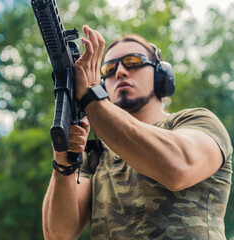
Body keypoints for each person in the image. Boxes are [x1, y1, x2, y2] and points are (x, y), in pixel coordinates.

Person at [42, 25, 233, 240]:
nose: (121, 71)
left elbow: (178, 168)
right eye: (109, 69)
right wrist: (63, 162)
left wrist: (90, 99)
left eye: (133, 62)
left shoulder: (197, 121)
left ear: (162, 74)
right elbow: (58, 234)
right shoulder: (95, 153)